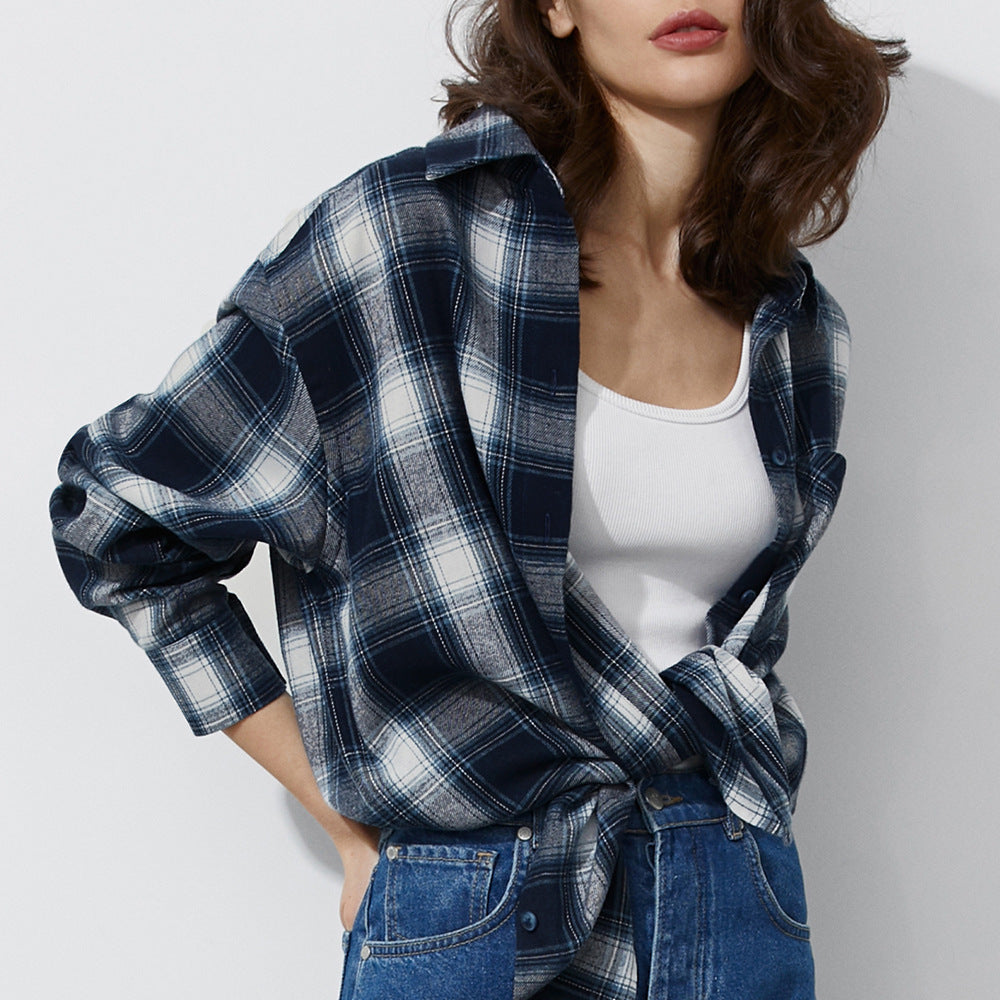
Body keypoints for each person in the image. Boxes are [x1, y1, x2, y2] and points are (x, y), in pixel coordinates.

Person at [49, 2, 907, 998]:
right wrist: (343, 822)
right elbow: (120, 521)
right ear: (556, 8)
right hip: (478, 913)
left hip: (734, 887)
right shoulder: (402, 237)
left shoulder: (794, 322)